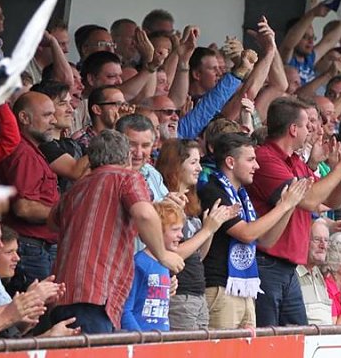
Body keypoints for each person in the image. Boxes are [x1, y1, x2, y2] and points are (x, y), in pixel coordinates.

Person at [247, 97, 341, 326]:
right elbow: (309, 199)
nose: (313, 130)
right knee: (270, 337)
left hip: (290, 267)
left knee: (300, 337)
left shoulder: (295, 162)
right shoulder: (266, 158)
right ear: (293, 129)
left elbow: (329, 201)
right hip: (267, 264)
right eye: (307, 125)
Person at [48, 130, 184, 333]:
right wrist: (163, 255)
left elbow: (52, 222)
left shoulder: (76, 187)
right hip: (96, 295)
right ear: (127, 156)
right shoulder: (127, 178)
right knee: (96, 354)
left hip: (62, 297)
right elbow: (144, 214)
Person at [198, 132, 309, 329]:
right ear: (231, 162)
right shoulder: (214, 191)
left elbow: (266, 240)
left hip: (245, 289)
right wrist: (283, 206)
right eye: (250, 160)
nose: (256, 166)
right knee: (225, 349)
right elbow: (246, 233)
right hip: (221, 288)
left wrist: (289, 206)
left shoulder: (242, 196)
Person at [156, 138, 239, 330]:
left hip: (197, 293)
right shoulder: (165, 204)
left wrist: (213, 226)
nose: (200, 168)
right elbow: (172, 254)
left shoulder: (192, 203)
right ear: (176, 165)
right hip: (179, 294)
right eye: (193, 162)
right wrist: (207, 230)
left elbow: (198, 255)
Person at [0, 92, 60, 280]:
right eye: (47, 115)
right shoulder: (23, 153)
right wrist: (66, 212)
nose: (54, 121)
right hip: (31, 249)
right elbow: (24, 207)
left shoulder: (28, 150)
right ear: (24, 118)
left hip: (35, 248)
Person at [121, 202, 182, 331]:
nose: (181, 235)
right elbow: (125, 309)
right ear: (157, 231)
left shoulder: (164, 264)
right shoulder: (139, 262)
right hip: (142, 336)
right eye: (175, 230)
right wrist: (139, 337)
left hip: (161, 337)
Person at [299, 220, 334, 325]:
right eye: (317, 240)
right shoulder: (292, 275)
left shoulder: (318, 273)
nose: (323, 246)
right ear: (304, 241)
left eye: (326, 240)